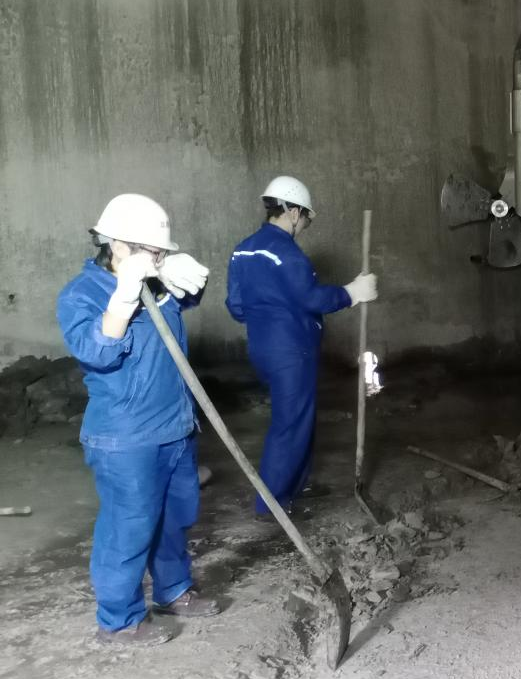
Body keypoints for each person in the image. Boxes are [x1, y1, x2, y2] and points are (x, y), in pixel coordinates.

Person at [57, 193, 218, 646]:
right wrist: (124, 295)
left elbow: (189, 296)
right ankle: (120, 618)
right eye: (151, 250)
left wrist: (172, 272)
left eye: (162, 251)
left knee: (175, 518)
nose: (157, 258)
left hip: (175, 425)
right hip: (125, 436)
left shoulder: (156, 279)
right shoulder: (82, 294)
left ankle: (174, 590)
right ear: (116, 244)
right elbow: (96, 352)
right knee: (129, 527)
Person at [226, 176, 377, 519]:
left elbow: (236, 307)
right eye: (306, 217)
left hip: (262, 349)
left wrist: (269, 314)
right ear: (293, 212)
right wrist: (351, 293)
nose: (306, 225)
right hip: (292, 352)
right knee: (291, 425)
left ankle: (294, 486)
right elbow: (311, 298)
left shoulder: (243, 249)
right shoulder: (287, 252)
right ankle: (272, 504)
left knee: (299, 419)